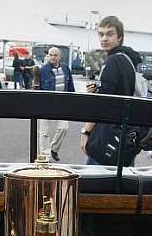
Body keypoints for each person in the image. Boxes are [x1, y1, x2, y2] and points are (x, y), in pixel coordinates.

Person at [79, 15, 143, 165]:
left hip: (108, 135)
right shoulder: (128, 59)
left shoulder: (113, 60)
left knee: (94, 184)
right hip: (126, 134)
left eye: (110, 34)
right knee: (121, 183)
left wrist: (86, 131)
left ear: (120, 37)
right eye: (101, 34)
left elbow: (102, 104)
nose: (104, 38)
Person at [38, 46, 75, 161]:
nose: (53, 57)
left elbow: (70, 86)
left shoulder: (65, 69)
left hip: (62, 104)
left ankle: (53, 149)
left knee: (64, 128)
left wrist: (73, 100)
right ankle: (45, 156)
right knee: (44, 132)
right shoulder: (43, 70)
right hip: (46, 104)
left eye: (55, 55)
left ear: (60, 57)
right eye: (51, 55)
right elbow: (39, 88)